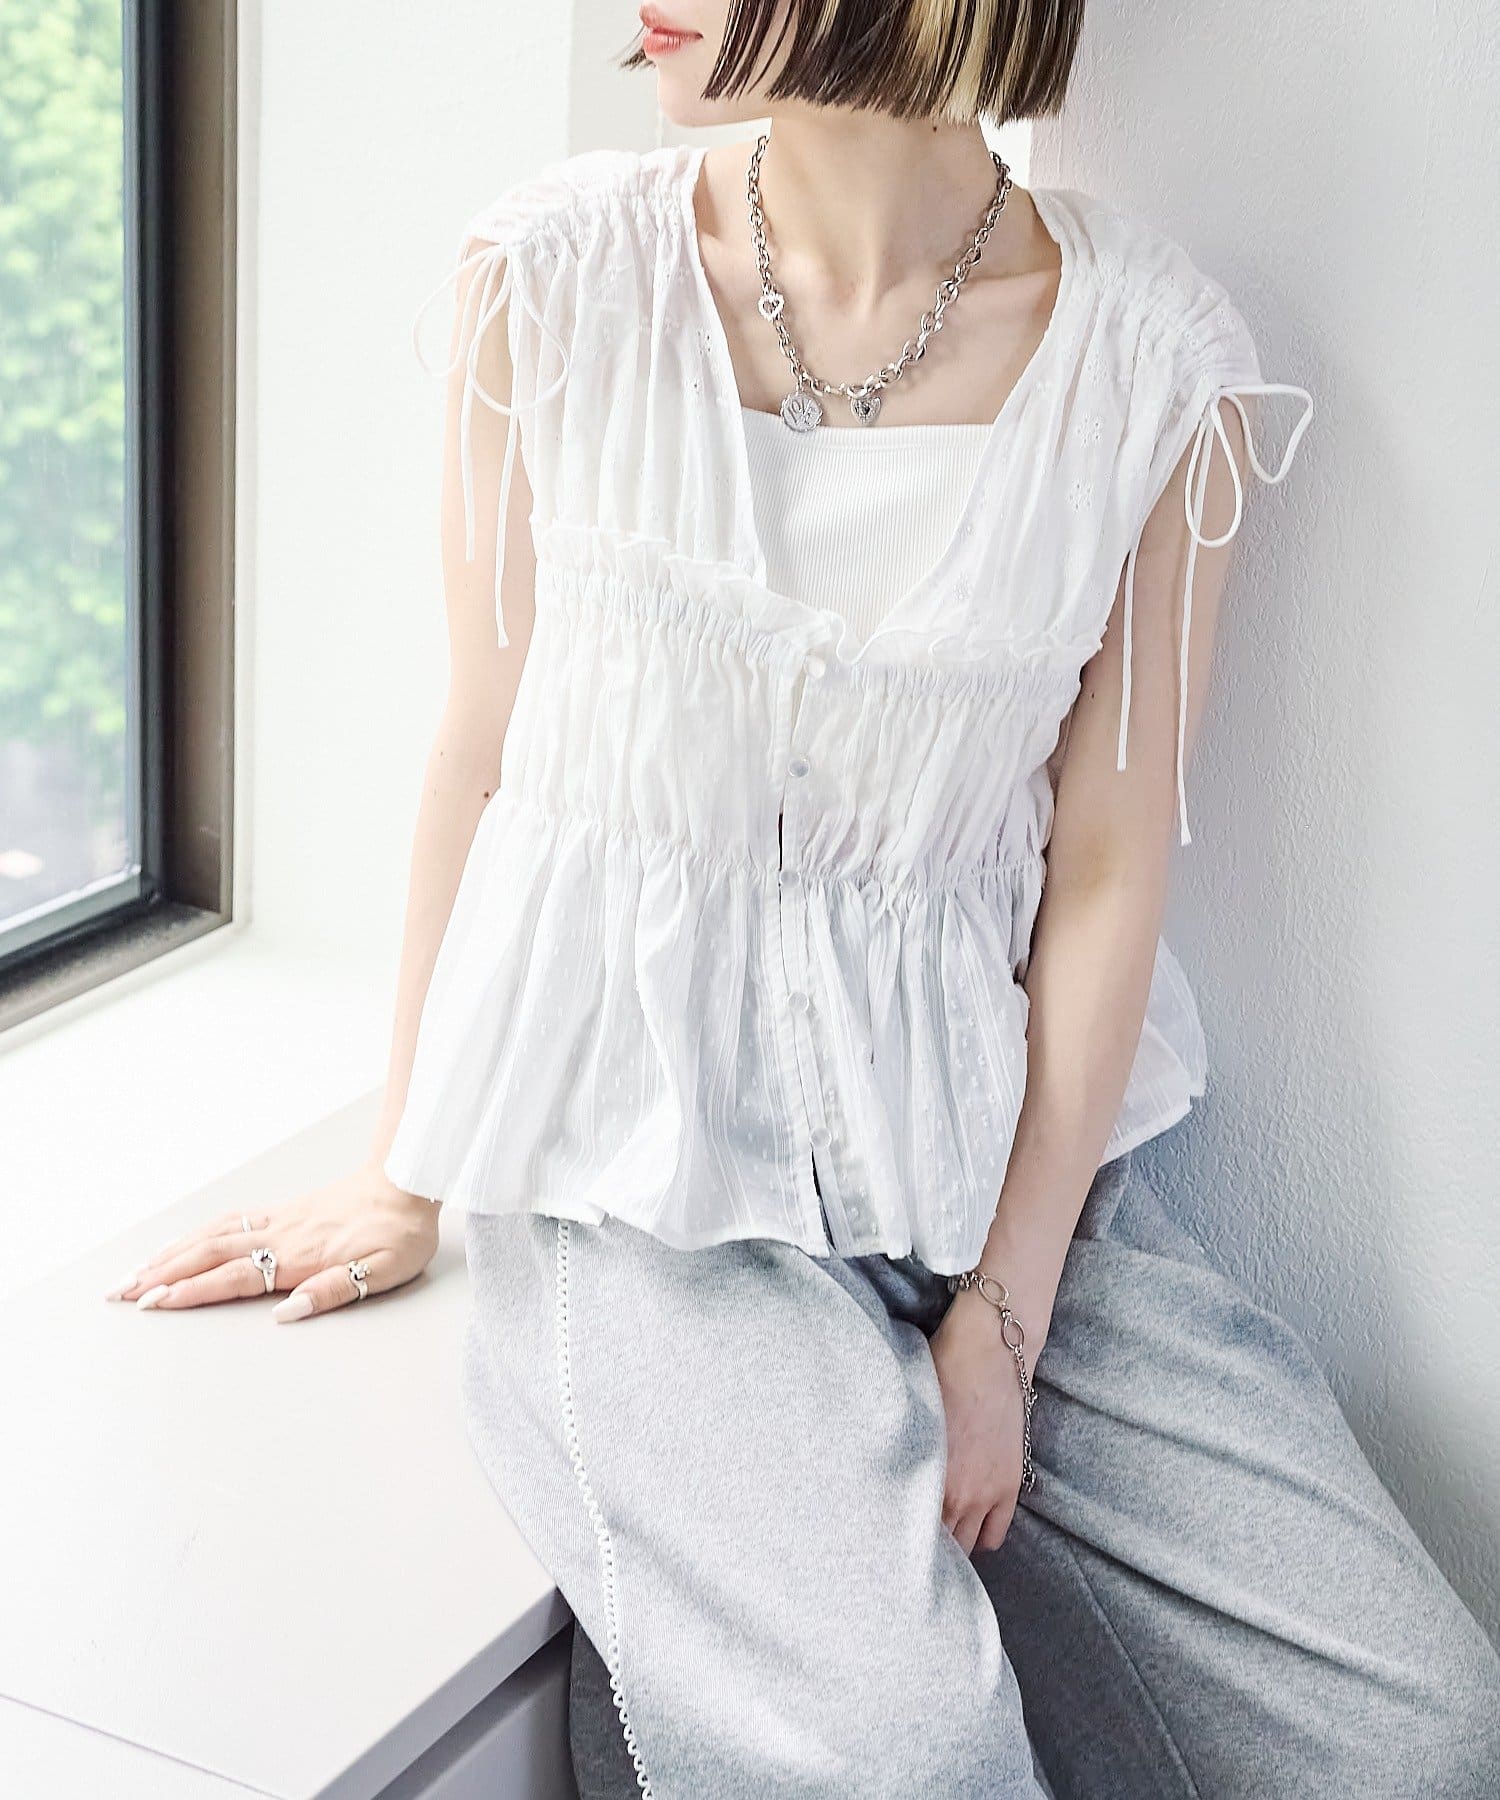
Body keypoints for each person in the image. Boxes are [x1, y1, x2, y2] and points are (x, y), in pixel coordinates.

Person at [109, 3, 1500, 1794]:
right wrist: (405, 1171)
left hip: (999, 1158)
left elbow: (1107, 864)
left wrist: (1004, 1316)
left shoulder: (1157, 366)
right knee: (903, 1754)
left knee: (1415, 1734)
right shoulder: (555, 281)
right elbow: (483, 747)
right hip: (647, 1179)